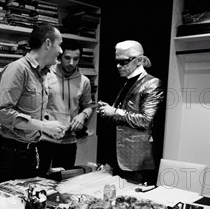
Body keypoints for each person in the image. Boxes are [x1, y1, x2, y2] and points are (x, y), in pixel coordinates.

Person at [0, 25, 66, 183]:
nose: (61, 51)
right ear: (47, 43)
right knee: (9, 204)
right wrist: (44, 126)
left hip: (30, 150)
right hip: (10, 153)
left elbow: (29, 114)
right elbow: (3, 113)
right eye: (59, 44)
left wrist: (48, 127)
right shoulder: (18, 69)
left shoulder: (42, 73)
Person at [98, 40, 164, 185]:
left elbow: (146, 120)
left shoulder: (152, 83)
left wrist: (114, 111)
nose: (118, 66)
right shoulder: (128, 82)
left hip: (134, 159)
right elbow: (121, 114)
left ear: (139, 60)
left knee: (131, 202)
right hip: (116, 155)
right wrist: (107, 111)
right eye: (117, 61)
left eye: (124, 62)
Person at [37, 40, 95, 175]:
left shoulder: (84, 81)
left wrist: (83, 115)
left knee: (64, 182)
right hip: (44, 139)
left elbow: (89, 106)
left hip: (69, 141)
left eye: (76, 59)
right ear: (60, 56)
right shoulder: (45, 75)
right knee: (39, 181)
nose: (71, 63)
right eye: (67, 58)